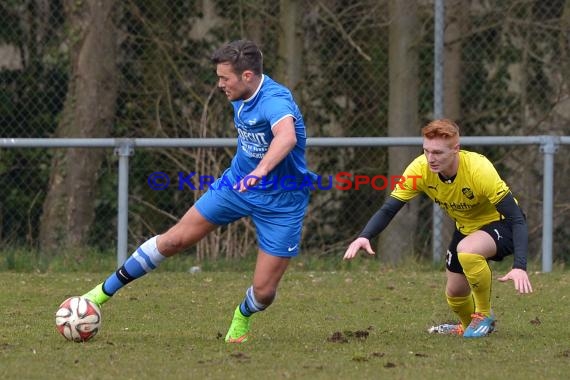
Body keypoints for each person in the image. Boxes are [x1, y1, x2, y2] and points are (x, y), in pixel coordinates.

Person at [79, 39, 315, 343]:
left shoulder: (275, 100)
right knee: (174, 239)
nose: (219, 85)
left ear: (247, 76)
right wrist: (250, 173)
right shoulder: (239, 92)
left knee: (264, 292)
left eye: (224, 78)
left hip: (283, 200)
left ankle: (242, 314)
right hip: (236, 185)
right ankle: (99, 294)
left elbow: (287, 137)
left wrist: (261, 170)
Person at [343, 119, 533, 338]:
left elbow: (517, 219)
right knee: (455, 292)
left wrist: (520, 266)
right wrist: (365, 236)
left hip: (503, 224)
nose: (431, 158)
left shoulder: (479, 169)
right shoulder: (420, 169)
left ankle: (483, 315)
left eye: (438, 153)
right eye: (426, 151)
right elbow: (389, 209)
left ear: (456, 150)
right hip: (466, 228)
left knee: (468, 249)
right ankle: (466, 326)